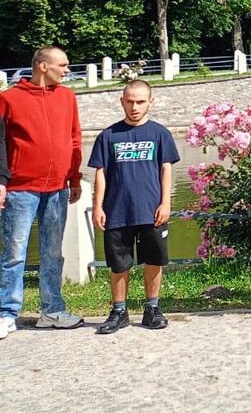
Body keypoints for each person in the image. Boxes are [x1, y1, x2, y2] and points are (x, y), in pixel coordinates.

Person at [0, 46, 85, 336]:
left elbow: (75, 139)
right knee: (14, 254)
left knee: (53, 253)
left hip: (58, 188)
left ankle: (52, 310)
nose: (67, 70)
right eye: (62, 65)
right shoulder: (9, 99)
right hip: (20, 188)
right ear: (43, 66)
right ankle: (6, 313)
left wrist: (74, 178)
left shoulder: (67, 97)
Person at [89, 80, 181, 334]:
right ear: (122, 102)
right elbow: (100, 173)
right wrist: (98, 206)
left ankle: (152, 309)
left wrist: (166, 202)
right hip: (117, 211)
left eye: (140, 101)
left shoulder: (160, 134)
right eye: (129, 101)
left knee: (154, 259)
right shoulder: (108, 136)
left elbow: (166, 169)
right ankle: (119, 311)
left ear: (150, 101)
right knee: (119, 264)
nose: (134, 107)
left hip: (151, 211)